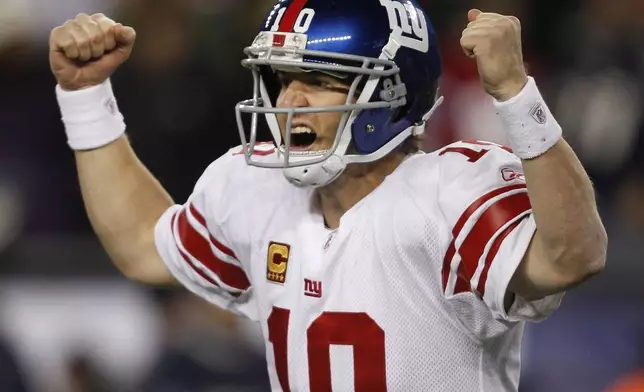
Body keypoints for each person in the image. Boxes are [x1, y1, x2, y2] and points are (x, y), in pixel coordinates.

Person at [48, 1, 607, 390]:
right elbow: (142, 246)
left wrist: (515, 95)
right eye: (281, 77)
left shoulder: (451, 190)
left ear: (390, 92)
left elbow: (573, 256)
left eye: (317, 79)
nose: (288, 100)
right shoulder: (253, 183)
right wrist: (85, 96)